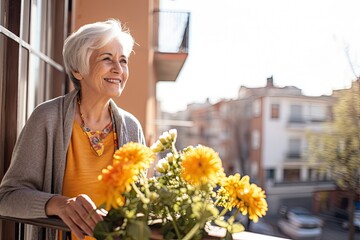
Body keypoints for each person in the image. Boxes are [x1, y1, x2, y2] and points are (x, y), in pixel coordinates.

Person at [0, 19, 145, 239]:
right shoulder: (47, 119)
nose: (118, 69)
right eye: (107, 59)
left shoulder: (132, 127)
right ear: (78, 70)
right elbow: (8, 198)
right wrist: (58, 204)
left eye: (123, 61)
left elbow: (140, 205)